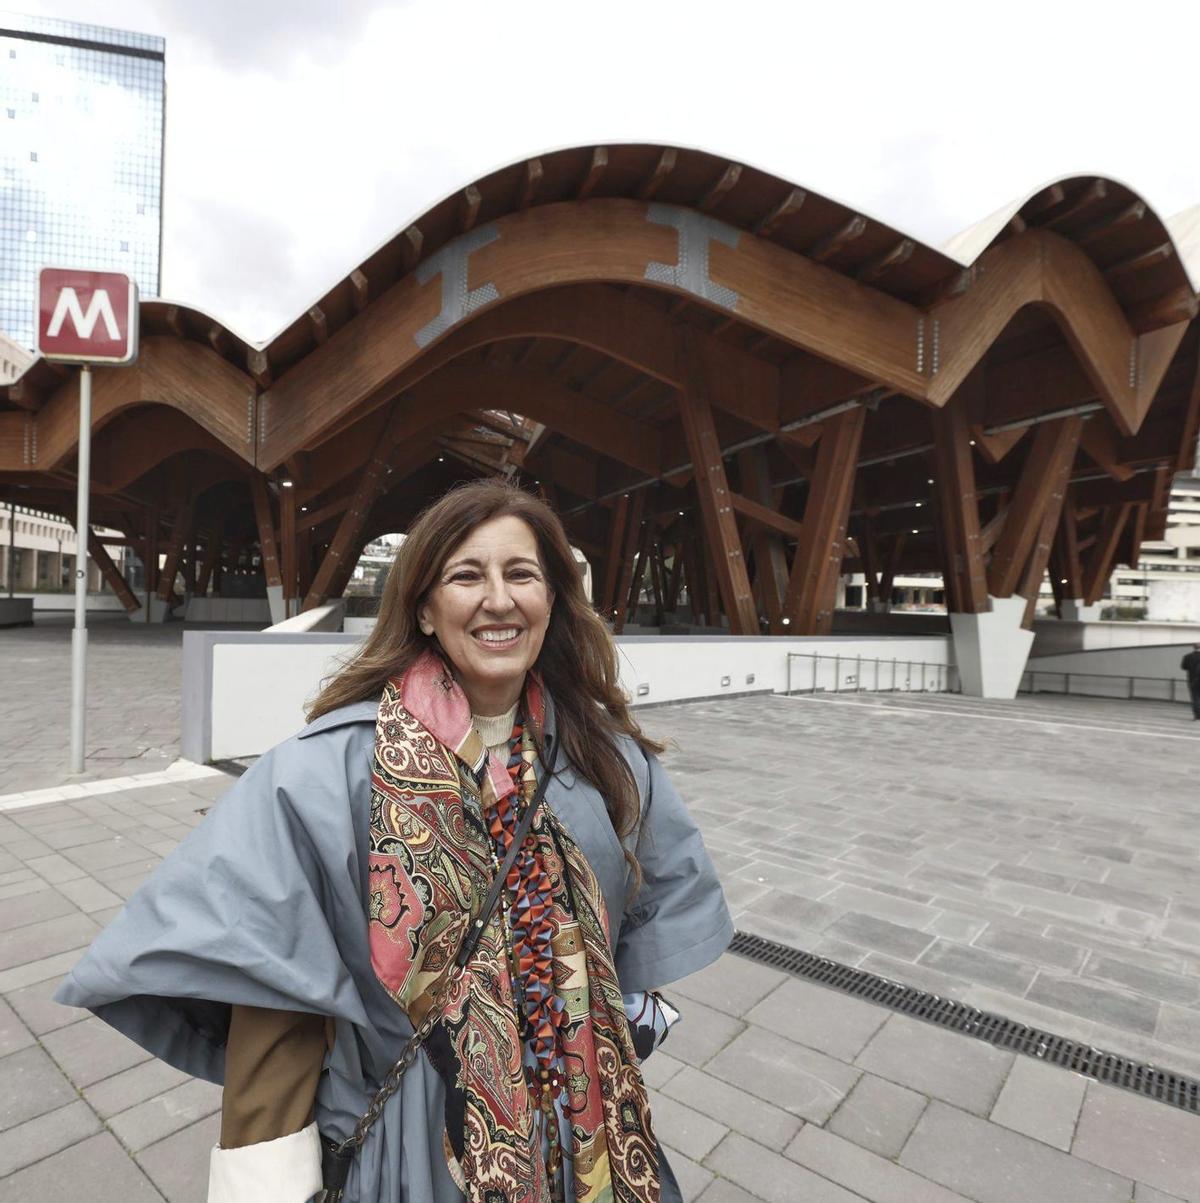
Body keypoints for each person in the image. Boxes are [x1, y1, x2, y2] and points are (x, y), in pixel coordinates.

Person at [55, 480, 733, 1203]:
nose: (498, 599)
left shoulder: (609, 758)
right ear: (423, 608)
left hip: (583, 1132)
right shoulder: (329, 769)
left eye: (522, 574)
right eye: (467, 575)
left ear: (553, 601)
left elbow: (642, 928)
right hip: (413, 1143)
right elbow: (277, 990)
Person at [1183, 643, 1200, 720]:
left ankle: (1197, 715)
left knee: (1195, 698)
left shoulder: (1187, 656)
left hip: (1192, 680)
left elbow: (1183, 667)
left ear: (1193, 647)